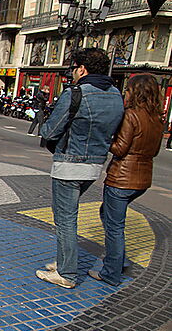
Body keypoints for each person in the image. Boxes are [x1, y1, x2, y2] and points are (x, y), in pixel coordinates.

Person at [35, 48, 124, 289]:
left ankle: (67, 273)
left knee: (65, 219)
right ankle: (65, 261)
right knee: (68, 216)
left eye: (74, 69)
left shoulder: (76, 93)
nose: (73, 74)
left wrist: (45, 124)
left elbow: (50, 131)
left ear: (82, 69)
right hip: (95, 165)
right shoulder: (116, 94)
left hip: (69, 165)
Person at [89, 74, 164, 286]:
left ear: (135, 92)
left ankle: (111, 272)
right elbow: (155, 151)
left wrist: (105, 138)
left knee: (114, 226)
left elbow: (120, 149)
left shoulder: (131, 115)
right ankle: (117, 259)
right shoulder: (157, 118)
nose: (126, 93)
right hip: (142, 179)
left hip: (121, 178)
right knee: (108, 215)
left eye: (128, 90)